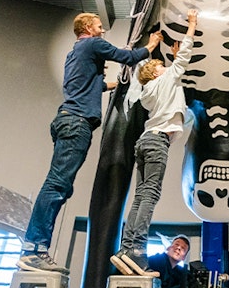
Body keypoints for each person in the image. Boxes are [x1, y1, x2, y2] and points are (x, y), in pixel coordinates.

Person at [18, 14, 161, 273]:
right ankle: (34, 248)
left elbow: (92, 85)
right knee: (57, 185)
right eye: (98, 25)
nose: (102, 28)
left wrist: (118, 84)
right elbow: (126, 57)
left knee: (60, 185)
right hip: (77, 124)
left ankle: (35, 247)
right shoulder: (93, 44)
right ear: (86, 28)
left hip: (68, 121)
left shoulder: (76, 53)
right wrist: (151, 46)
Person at [112, 10, 198, 276]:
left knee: (140, 196)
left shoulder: (148, 91)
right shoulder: (166, 79)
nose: (165, 66)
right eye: (161, 65)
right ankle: (136, 249)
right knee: (150, 195)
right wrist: (192, 24)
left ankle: (127, 248)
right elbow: (184, 58)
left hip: (144, 141)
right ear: (156, 71)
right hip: (157, 142)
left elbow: (173, 73)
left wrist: (169, 59)